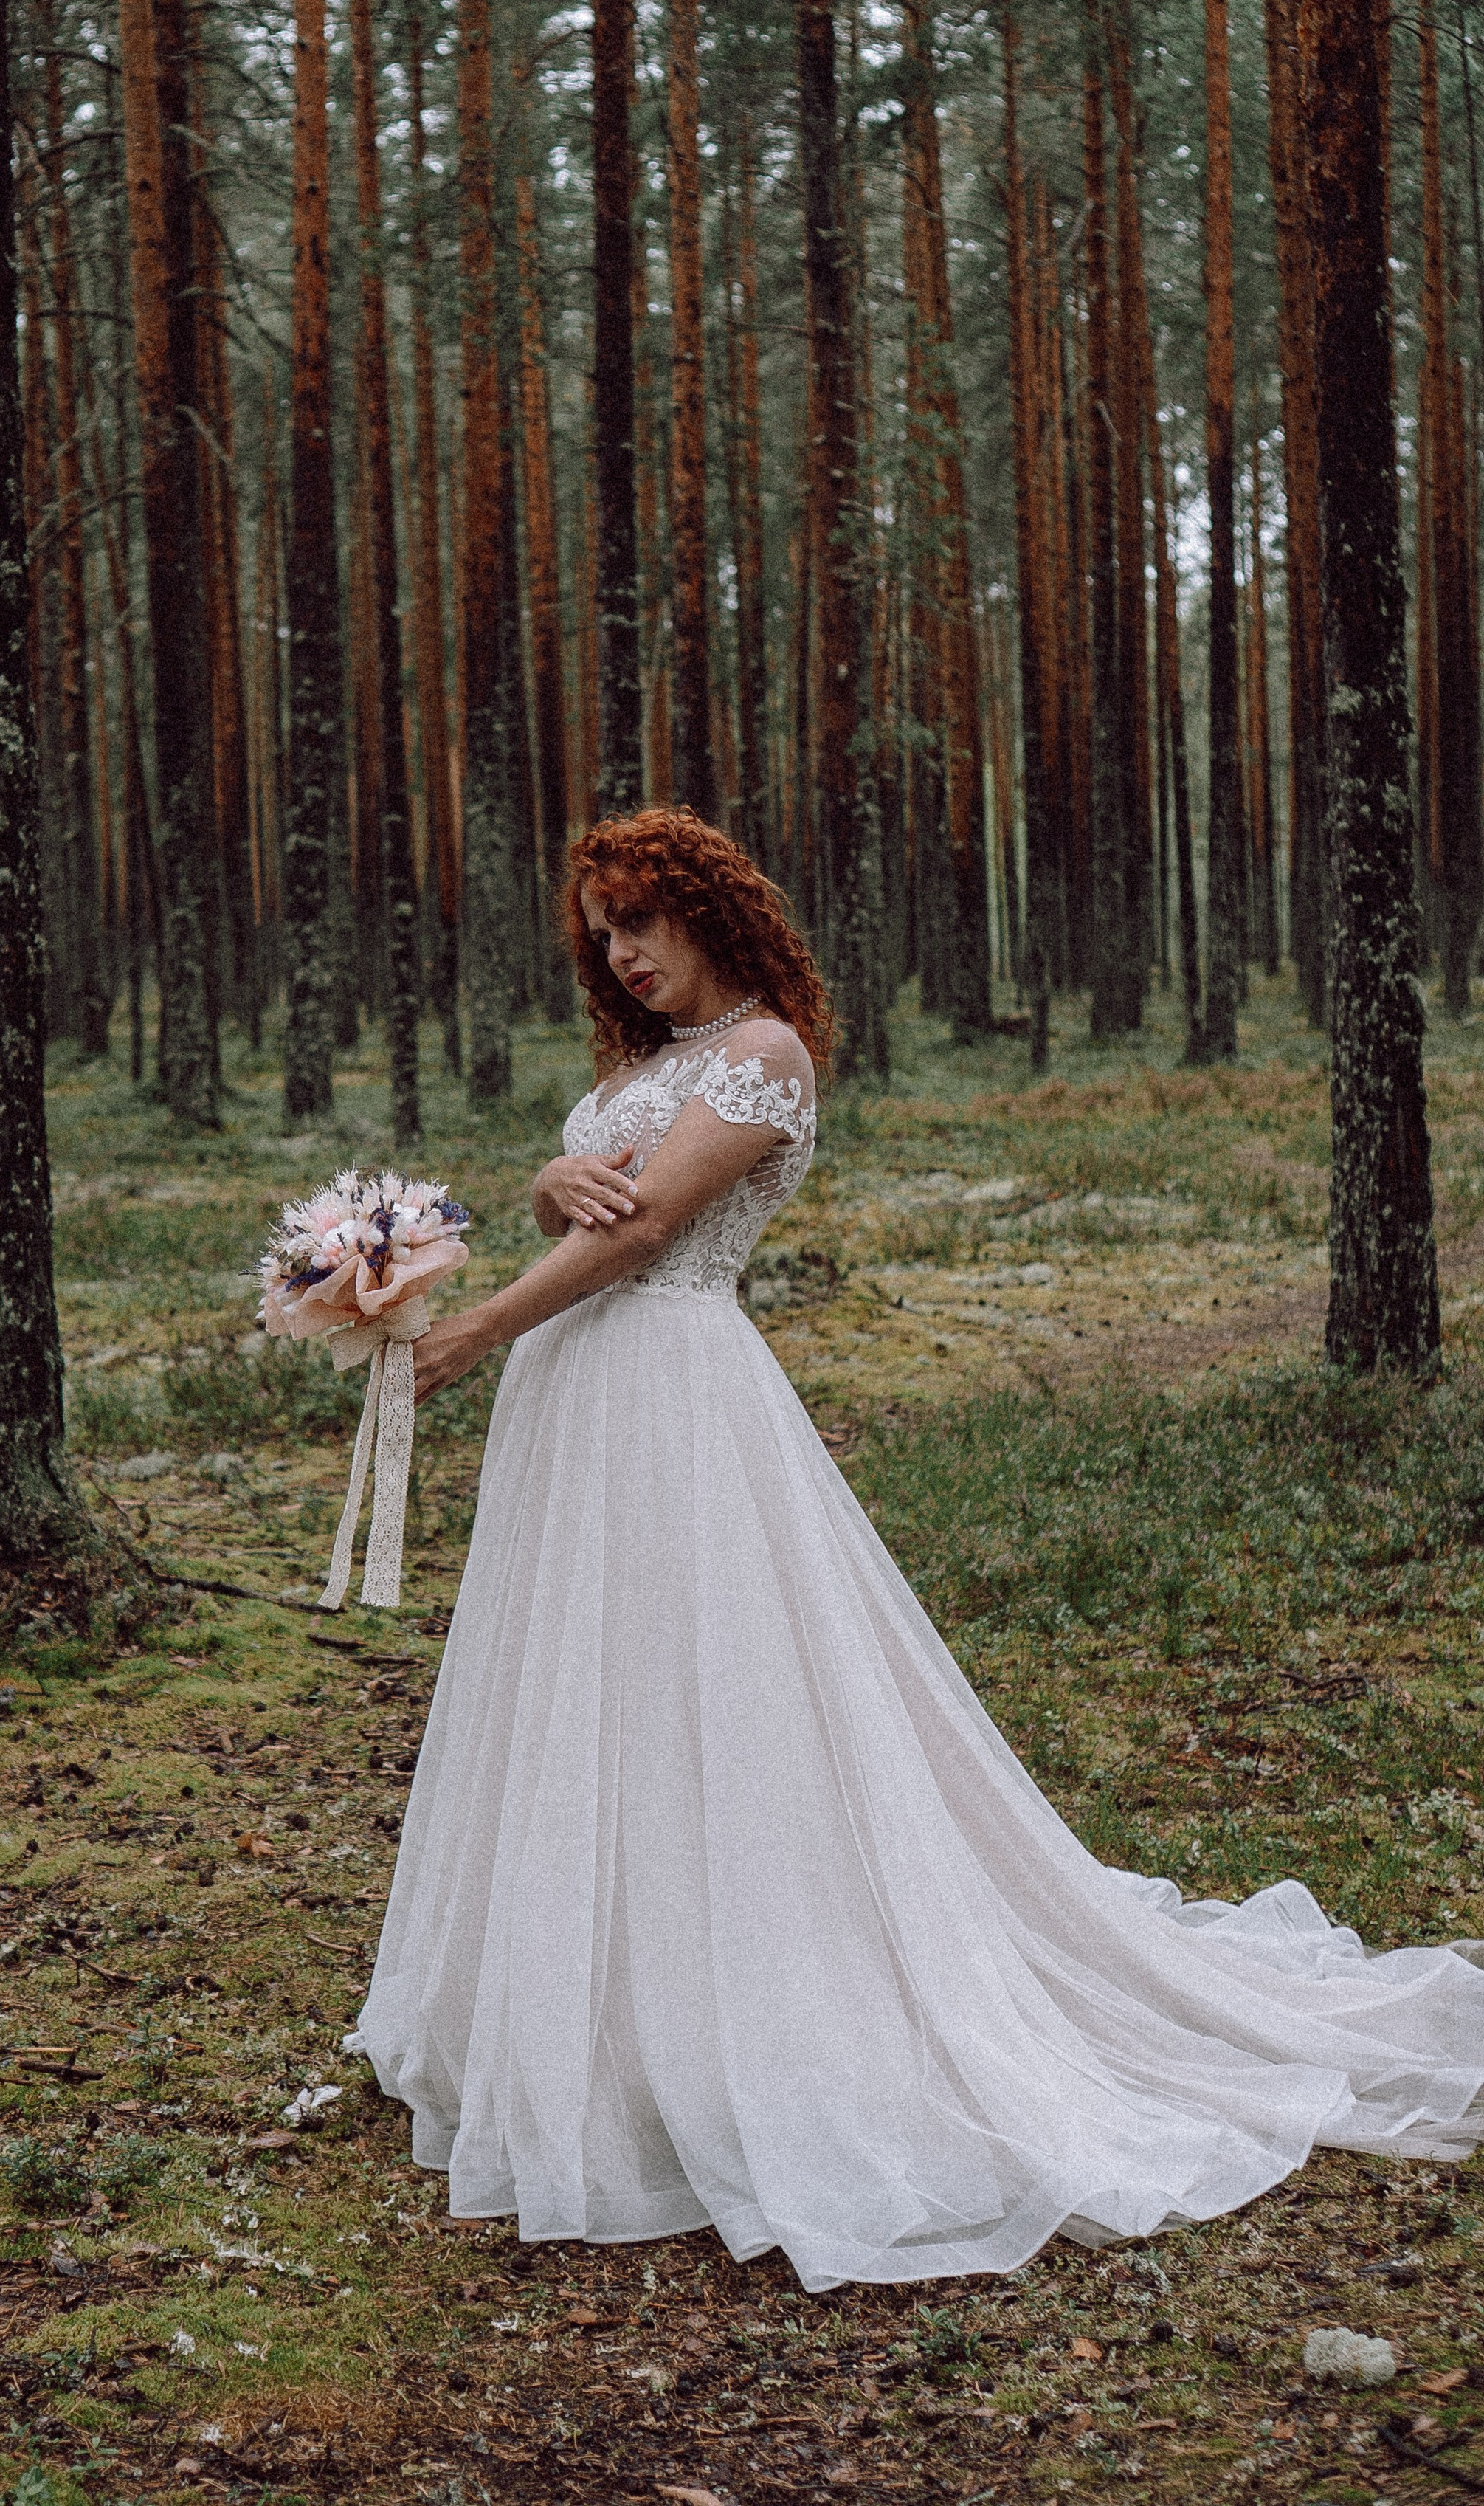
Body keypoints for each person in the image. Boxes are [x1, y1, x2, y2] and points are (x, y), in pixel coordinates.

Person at [348, 808, 1484, 2292]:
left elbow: (644, 1235)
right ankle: (592, 2016)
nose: (619, 953)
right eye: (601, 933)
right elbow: (595, 1198)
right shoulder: (642, 1066)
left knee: (708, 1691)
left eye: (641, 921)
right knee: (584, 1684)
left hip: (674, 1393)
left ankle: (737, 2018)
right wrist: (542, 1186)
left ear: (711, 913)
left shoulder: (766, 1056)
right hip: (579, 1403)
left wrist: (478, 1328)